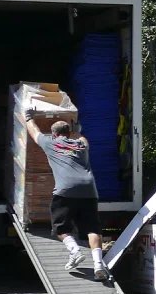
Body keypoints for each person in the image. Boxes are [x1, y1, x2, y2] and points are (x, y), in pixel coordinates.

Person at [24, 112, 107, 280]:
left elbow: (34, 132)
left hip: (66, 190)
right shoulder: (81, 145)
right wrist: (76, 130)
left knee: (61, 227)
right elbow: (82, 138)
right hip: (89, 190)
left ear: (54, 134)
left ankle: (75, 251)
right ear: (69, 133)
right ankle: (99, 265)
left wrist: (28, 117)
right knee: (92, 229)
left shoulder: (50, 143)